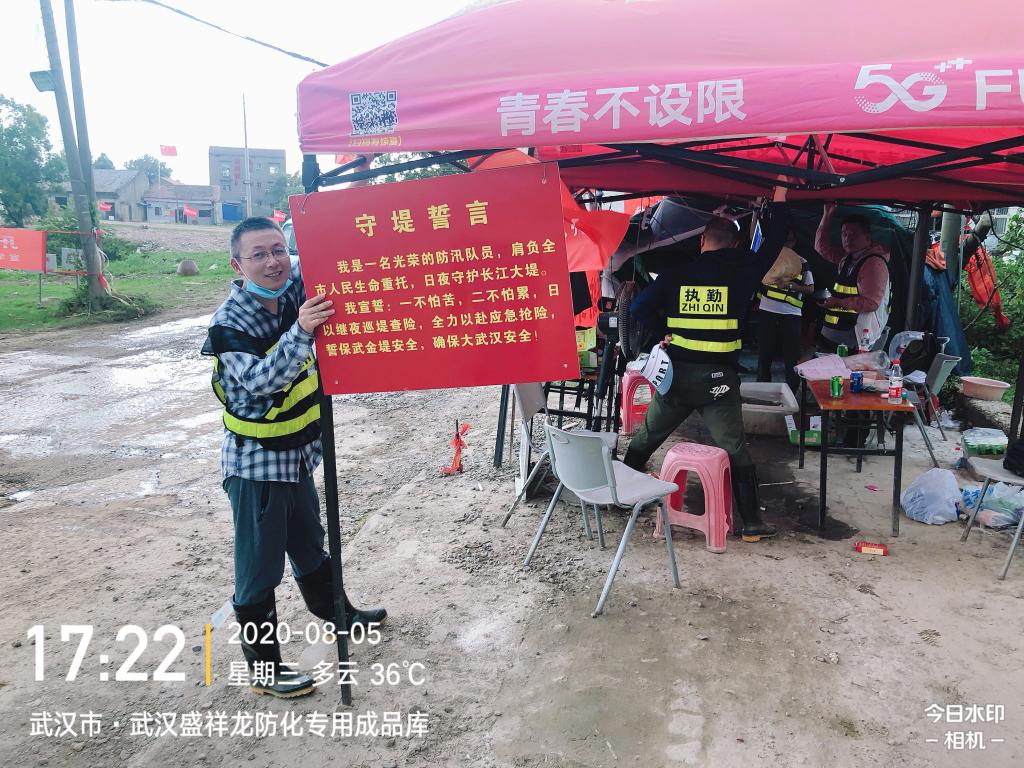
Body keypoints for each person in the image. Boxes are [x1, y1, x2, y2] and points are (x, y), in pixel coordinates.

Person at [202, 216, 386, 698]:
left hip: (298, 453)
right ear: (237, 265)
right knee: (259, 567)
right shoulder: (229, 324)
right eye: (258, 254)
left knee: (309, 542)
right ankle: (264, 671)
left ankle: (339, 614)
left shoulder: (293, 285)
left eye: (278, 250)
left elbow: (339, 261)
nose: (272, 262)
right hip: (256, 464)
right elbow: (262, 380)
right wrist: (303, 329)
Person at [623, 205, 790, 540]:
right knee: (735, 447)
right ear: (734, 244)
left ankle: (619, 493)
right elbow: (773, 244)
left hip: (677, 379)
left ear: (702, 240)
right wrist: (779, 202)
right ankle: (752, 524)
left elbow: (638, 307)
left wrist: (664, 331)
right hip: (718, 385)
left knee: (648, 435)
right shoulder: (743, 273)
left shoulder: (676, 274)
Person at [815, 204, 890, 352]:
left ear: (867, 237)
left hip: (857, 337)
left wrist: (837, 302)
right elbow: (821, 248)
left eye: (854, 234)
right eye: (844, 234)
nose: (848, 238)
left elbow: (871, 303)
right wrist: (827, 215)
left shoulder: (873, 263)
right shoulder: (847, 258)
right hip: (836, 333)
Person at [756, 229, 814, 393]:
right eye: (782, 240)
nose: (785, 244)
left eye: (788, 240)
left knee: (792, 359)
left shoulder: (802, 262)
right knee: (764, 356)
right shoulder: (768, 257)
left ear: (793, 242)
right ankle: (762, 393)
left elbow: (810, 289)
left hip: (791, 316)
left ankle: (791, 395)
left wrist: (792, 286)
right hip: (767, 312)